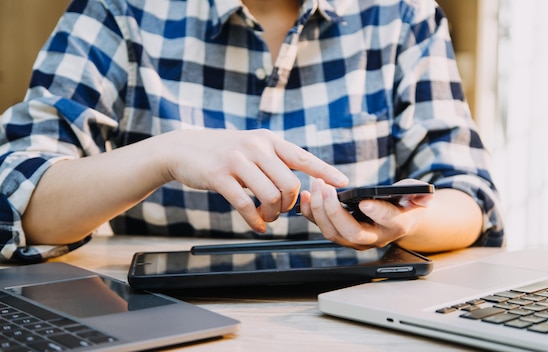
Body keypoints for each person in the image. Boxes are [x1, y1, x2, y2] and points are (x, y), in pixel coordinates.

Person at [0, 0, 504, 263]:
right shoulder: (118, 10)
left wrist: (406, 224)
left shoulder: (404, 15)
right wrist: (167, 154)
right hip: (155, 321)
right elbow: (19, 196)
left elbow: (471, 199)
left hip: (364, 318)